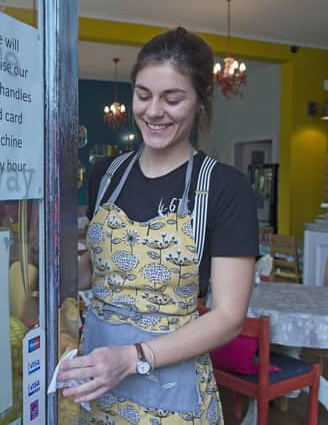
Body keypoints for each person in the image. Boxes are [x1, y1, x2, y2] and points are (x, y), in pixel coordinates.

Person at [57, 27, 258, 424]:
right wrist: (44, 256)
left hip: (171, 395)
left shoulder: (223, 187)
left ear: (201, 101)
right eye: (143, 95)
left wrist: (133, 359)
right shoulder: (106, 174)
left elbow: (228, 316)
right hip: (98, 382)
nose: (153, 111)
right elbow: (96, 271)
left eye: (172, 98)